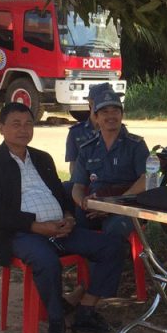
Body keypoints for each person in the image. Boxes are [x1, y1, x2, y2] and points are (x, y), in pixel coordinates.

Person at [0, 102, 124, 333]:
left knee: (113, 245)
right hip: (21, 234)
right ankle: (56, 321)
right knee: (46, 260)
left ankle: (86, 309)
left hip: (59, 229)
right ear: (1, 128)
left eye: (28, 124)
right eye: (16, 124)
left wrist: (69, 216)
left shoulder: (42, 158)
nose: (23, 130)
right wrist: (36, 226)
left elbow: (61, 194)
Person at [70, 86, 149, 239]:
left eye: (115, 111)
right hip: (95, 205)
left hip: (126, 205)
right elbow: (77, 186)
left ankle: (113, 253)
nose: (111, 116)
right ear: (96, 117)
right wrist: (84, 203)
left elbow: (146, 179)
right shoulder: (87, 148)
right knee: (76, 227)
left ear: (122, 115)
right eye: (105, 112)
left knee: (113, 231)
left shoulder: (136, 145)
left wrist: (113, 204)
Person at [64, 82, 111, 175]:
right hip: (85, 181)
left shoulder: (117, 129)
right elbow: (73, 165)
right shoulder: (76, 132)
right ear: (91, 103)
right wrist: (77, 182)